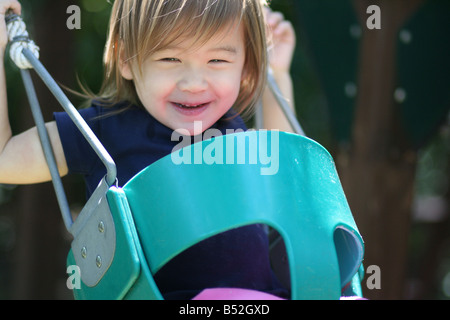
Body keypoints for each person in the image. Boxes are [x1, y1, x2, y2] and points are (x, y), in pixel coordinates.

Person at [0, 0, 297, 299]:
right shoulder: (101, 131)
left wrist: (278, 74)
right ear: (126, 58)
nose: (194, 83)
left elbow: (287, 175)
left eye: (217, 61)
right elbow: (5, 158)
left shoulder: (235, 133)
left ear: (246, 64)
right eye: (170, 59)